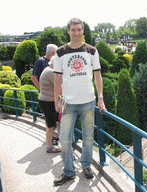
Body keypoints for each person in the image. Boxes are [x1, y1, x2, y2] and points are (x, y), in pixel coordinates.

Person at [53, 18, 106, 186]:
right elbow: (57, 78)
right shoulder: (60, 52)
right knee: (64, 139)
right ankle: (68, 171)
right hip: (68, 102)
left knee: (89, 137)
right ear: (68, 31)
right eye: (73, 30)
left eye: (79, 29)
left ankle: (86, 166)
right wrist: (56, 100)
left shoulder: (91, 51)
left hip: (88, 101)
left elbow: (98, 75)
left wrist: (100, 97)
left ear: (83, 31)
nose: (76, 33)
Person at [38, 56, 61, 153]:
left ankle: (57, 141)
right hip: (48, 102)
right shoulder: (52, 73)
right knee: (50, 125)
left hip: (46, 100)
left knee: (54, 122)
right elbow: (60, 88)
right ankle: (49, 146)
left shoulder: (47, 69)